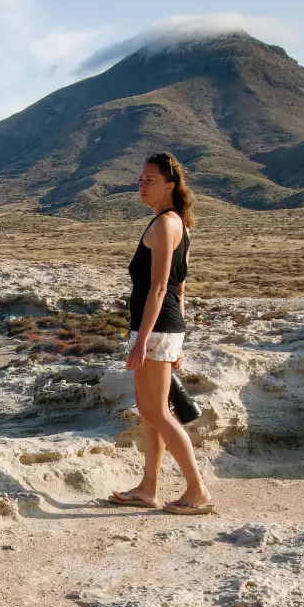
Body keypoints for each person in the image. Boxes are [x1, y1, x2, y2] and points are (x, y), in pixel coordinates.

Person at [105, 152, 215, 515]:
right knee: (151, 411)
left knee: (157, 412)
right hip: (163, 328)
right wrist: (174, 339)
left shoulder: (166, 224)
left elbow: (159, 288)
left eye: (150, 180)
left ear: (170, 185)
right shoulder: (176, 224)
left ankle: (197, 491)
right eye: (140, 179)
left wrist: (142, 341)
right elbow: (180, 290)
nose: (142, 185)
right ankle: (148, 487)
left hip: (155, 328)